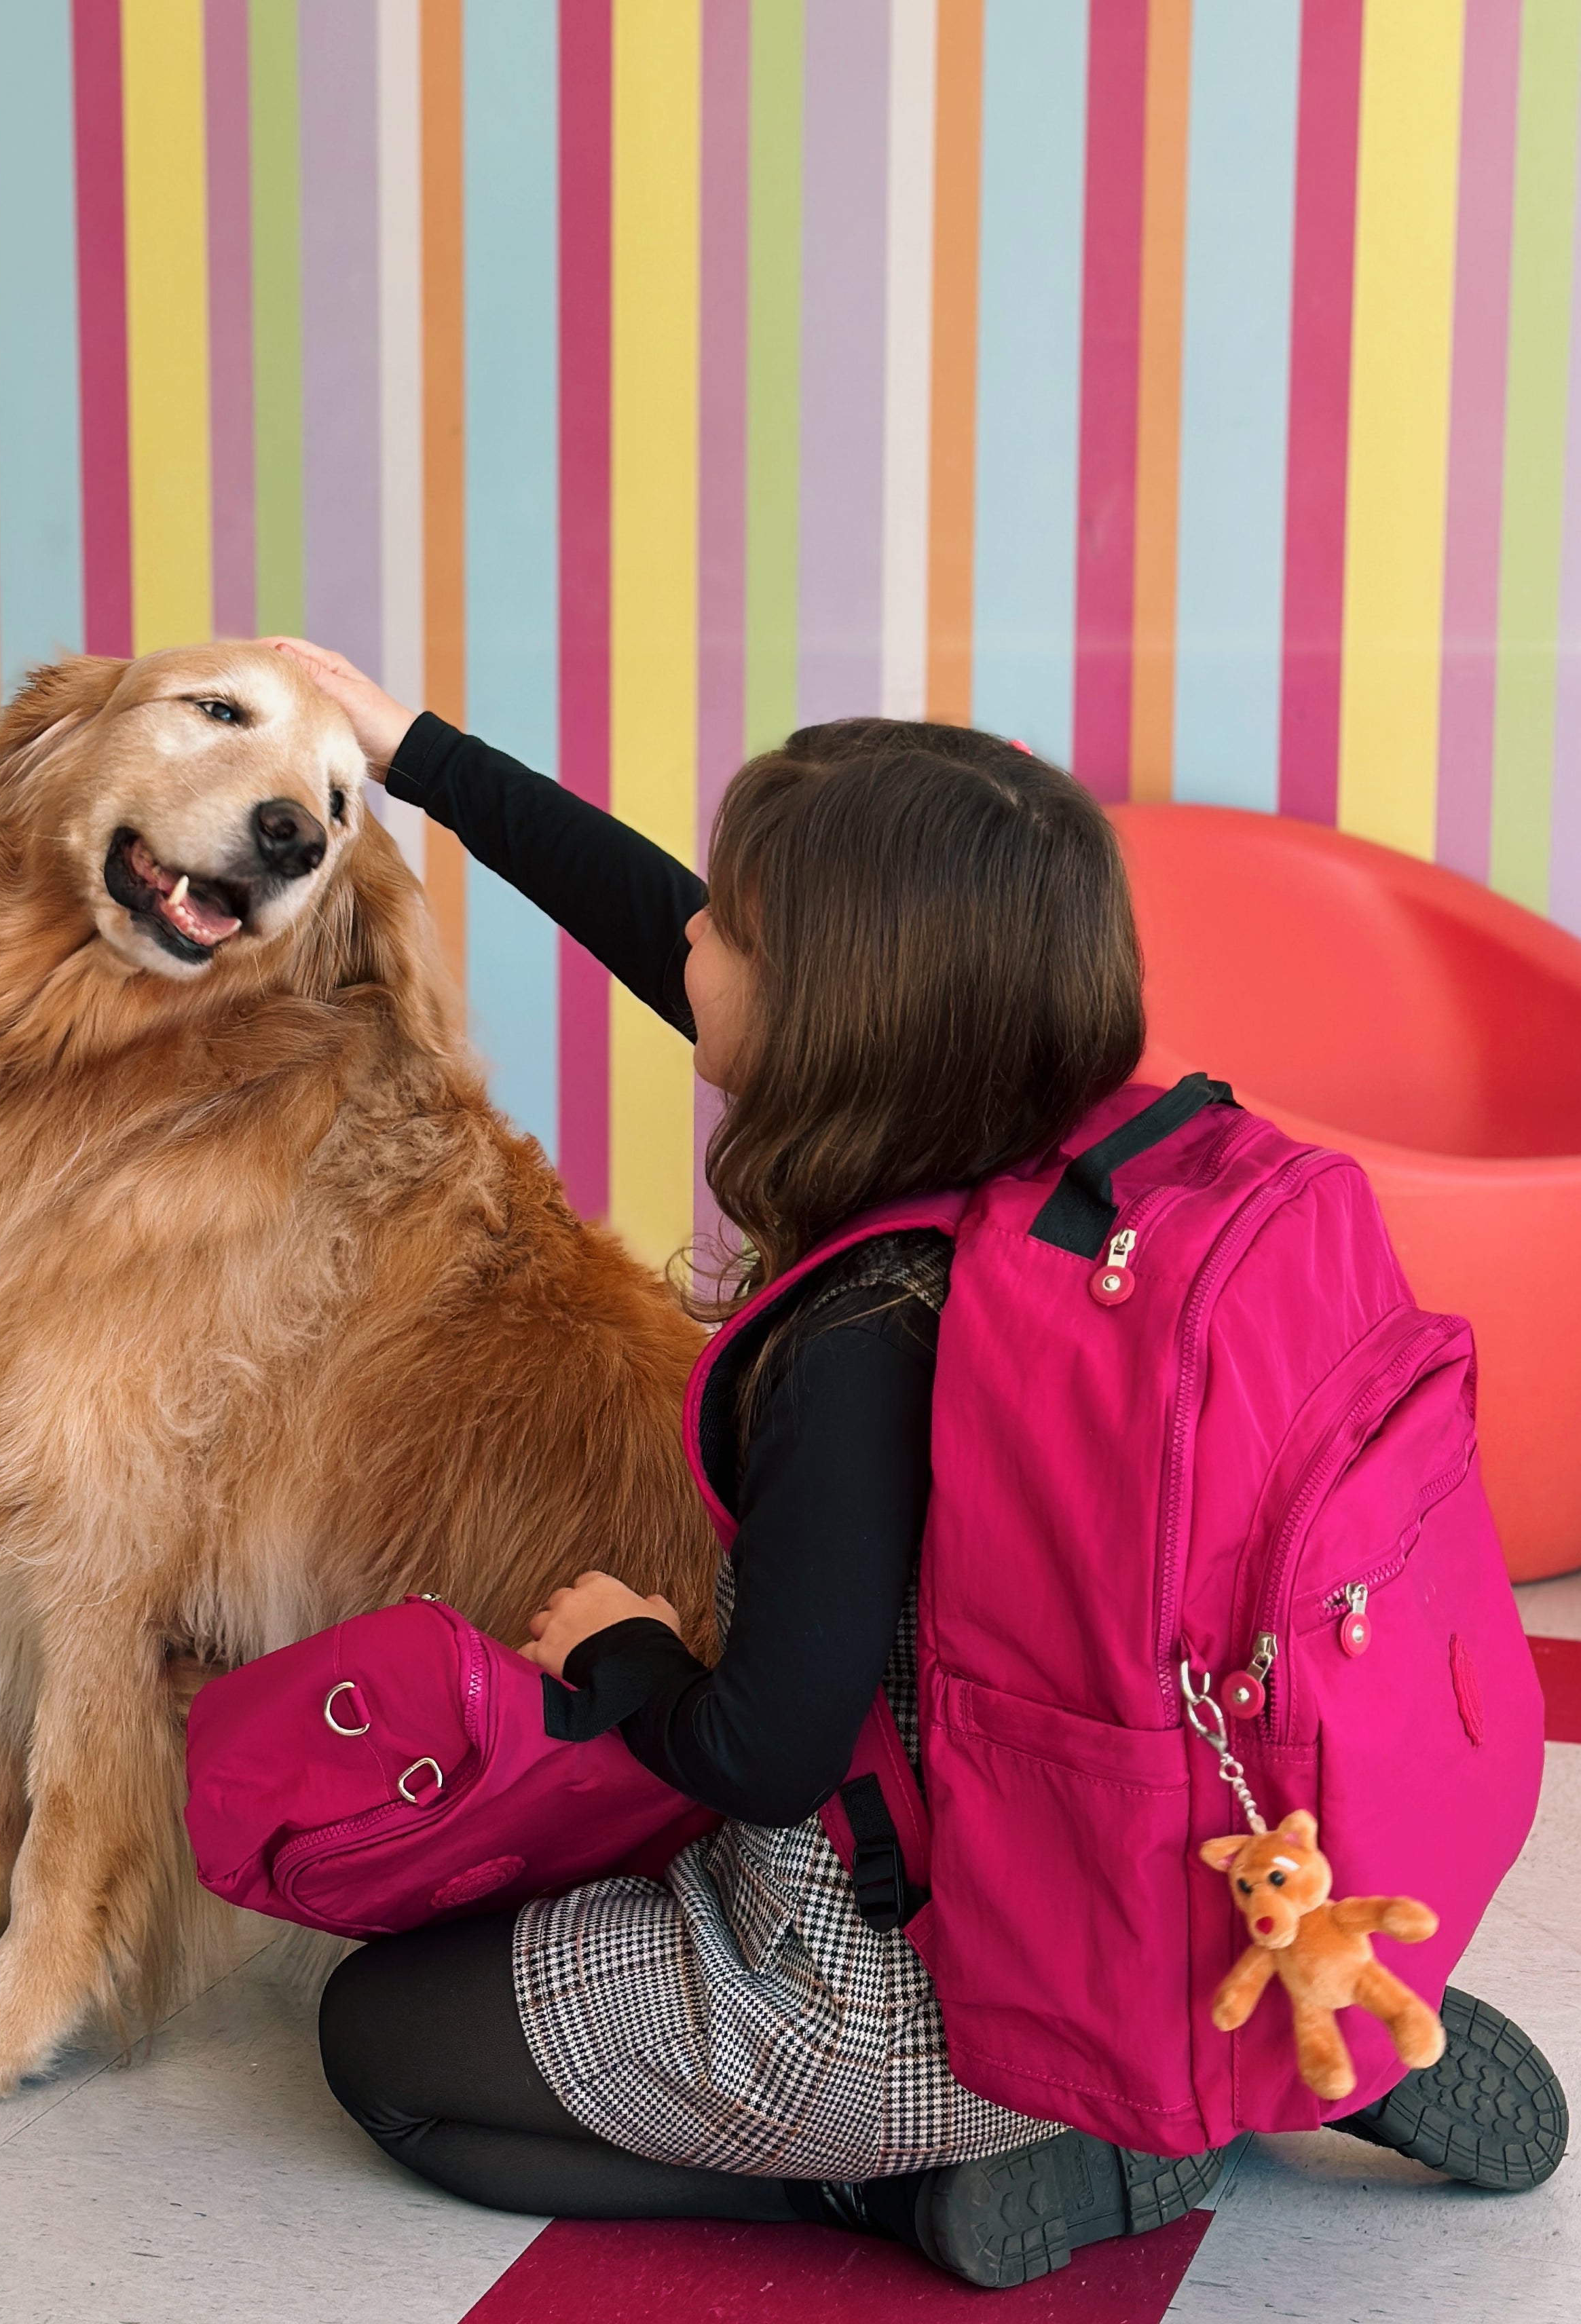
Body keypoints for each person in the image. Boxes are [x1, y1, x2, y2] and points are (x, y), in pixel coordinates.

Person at [274, 639, 1563, 2287]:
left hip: (915, 1986)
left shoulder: (856, 1340)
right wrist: (418, 750)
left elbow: (763, 1746)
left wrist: (623, 1650)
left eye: (729, 928)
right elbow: (653, 918)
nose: (689, 941)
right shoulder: (1060, 1167)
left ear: (833, 1012)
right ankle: (1266, 2025)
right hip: (1167, 1878)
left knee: (381, 2045)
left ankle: (951, 2170)